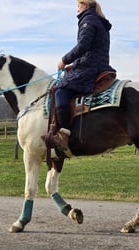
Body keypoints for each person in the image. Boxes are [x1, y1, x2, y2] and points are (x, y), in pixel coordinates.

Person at [53, 0, 116, 150]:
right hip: (96, 64)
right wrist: (74, 65)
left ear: (85, 6)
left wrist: (64, 60)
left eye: (78, 6)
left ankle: (64, 134)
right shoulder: (98, 21)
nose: (77, 9)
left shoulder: (88, 20)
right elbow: (91, 51)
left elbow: (83, 46)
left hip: (91, 68)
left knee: (60, 91)